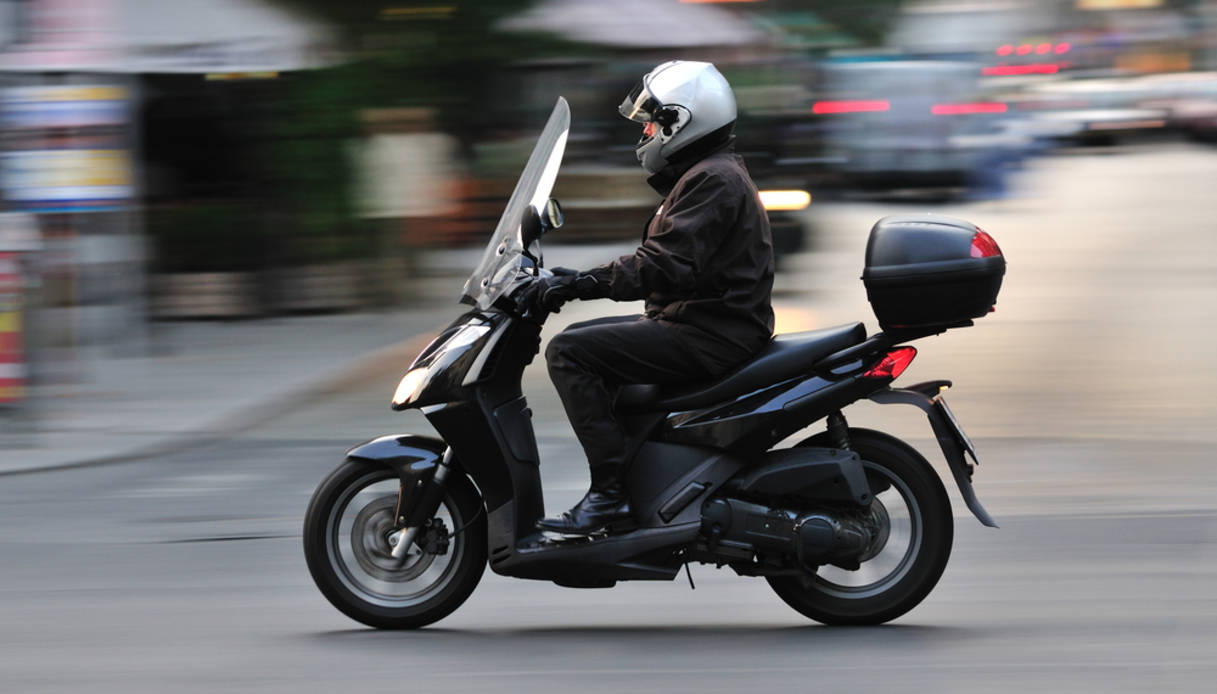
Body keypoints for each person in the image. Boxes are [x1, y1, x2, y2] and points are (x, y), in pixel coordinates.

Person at [521, 61, 775, 535]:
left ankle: (610, 498)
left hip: (710, 334)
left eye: (654, 122)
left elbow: (660, 265)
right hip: (702, 324)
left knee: (569, 352)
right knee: (589, 345)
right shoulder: (708, 172)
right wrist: (571, 280)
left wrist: (578, 283)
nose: (647, 132)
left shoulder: (711, 179)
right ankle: (641, 486)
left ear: (683, 122)